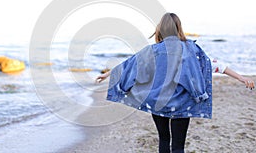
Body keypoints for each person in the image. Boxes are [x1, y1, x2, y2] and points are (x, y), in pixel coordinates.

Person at [96, 13, 254, 153]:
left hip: (158, 101)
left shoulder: (153, 50)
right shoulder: (191, 49)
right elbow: (213, 64)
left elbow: (129, 65)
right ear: (179, 28)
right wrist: (241, 78)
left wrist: (107, 75)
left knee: (164, 140)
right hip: (182, 103)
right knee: (178, 147)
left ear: (161, 29)